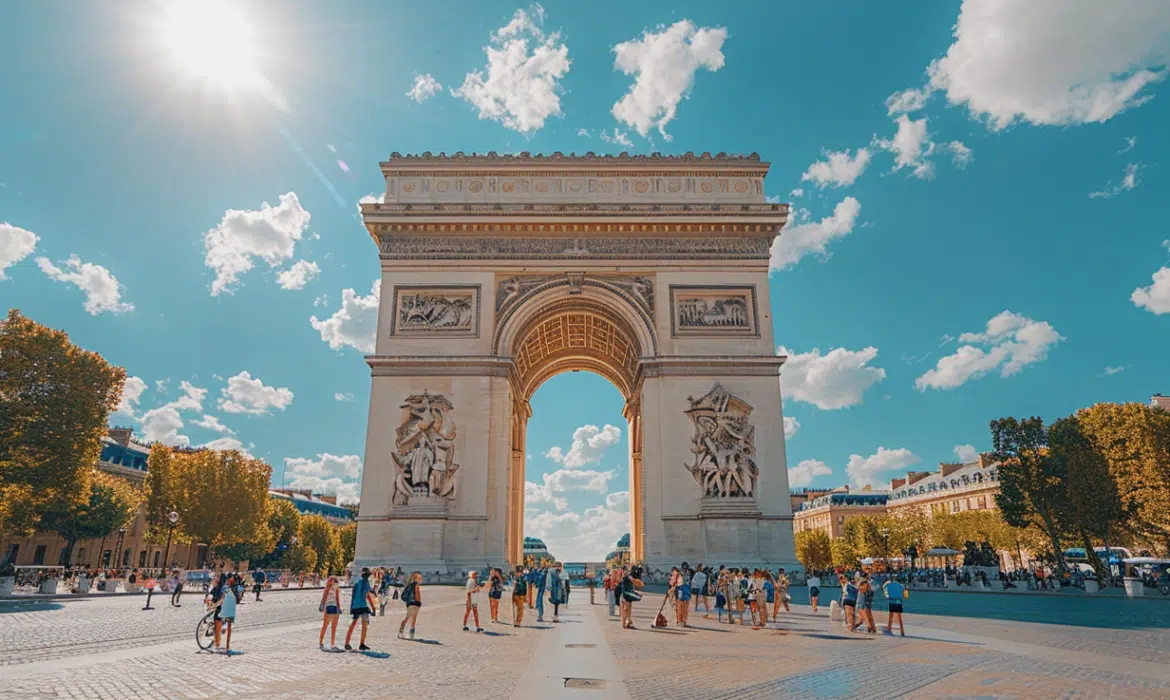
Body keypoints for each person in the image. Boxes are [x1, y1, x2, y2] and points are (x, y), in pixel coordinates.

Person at [344, 567, 378, 651]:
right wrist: (373, 607)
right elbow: (369, 595)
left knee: (355, 624)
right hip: (362, 606)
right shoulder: (365, 583)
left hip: (357, 606)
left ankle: (347, 643)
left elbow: (357, 595)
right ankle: (361, 644)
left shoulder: (358, 582)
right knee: (364, 625)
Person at [319, 575, 342, 650]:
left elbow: (324, 598)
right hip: (333, 607)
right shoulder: (333, 588)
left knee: (326, 626)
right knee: (332, 627)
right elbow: (337, 599)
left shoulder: (328, 588)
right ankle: (331, 643)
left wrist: (321, 606)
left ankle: (322, 643)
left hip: (330, 607)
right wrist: (339, 608)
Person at [399, 571, 423, 639]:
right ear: (416, 578)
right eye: (420, 578)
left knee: (408, 617)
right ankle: (410, 634)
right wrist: (419, 601)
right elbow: (417, 595)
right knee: (413, 618)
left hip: (409, 603)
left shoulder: (409, 585)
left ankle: (402, 632)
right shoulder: (416, 585)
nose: (421, 580)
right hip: (415, 603)